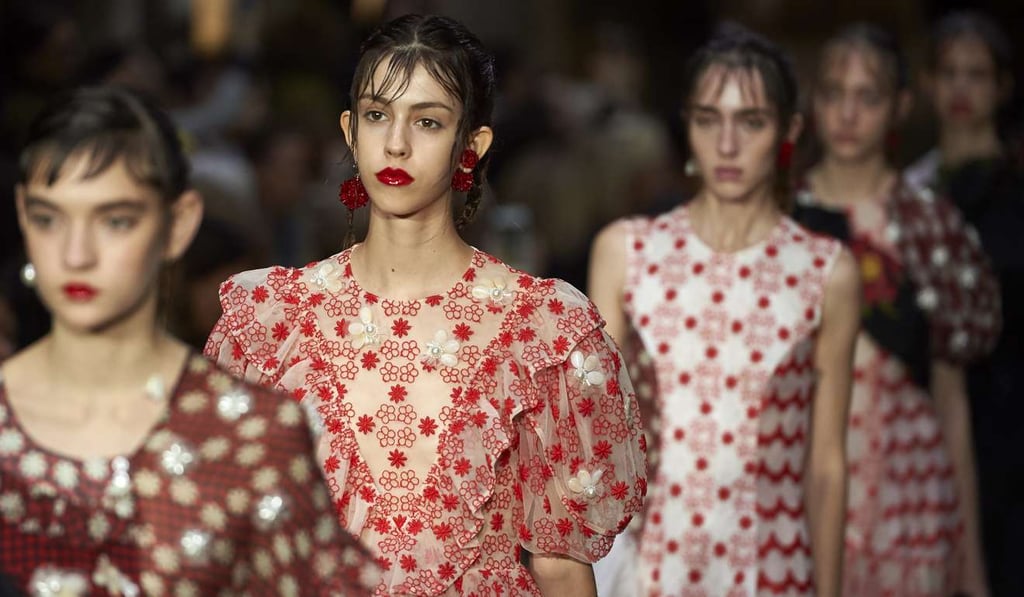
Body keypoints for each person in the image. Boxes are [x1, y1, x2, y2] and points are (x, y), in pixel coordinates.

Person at [205, 14, 647, 596]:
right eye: (376, 115)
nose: (396, 143)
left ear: (473, 143)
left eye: (428, 121)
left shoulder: (542, 331)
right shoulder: (268, 321)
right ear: (349, 131)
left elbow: (560, 565)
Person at [0, 86, 377, 596]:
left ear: (177, 226)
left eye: (116, 220)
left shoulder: (257, 436)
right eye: (50, 218)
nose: (76, 253)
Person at [588, 23, 859, 597]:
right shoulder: (627, 252)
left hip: (774, 566)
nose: (727, 144)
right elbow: (593, 441)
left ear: (789, 130)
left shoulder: (825, 270)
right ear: (687, 125)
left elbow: (827, 465)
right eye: (709, 120)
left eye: (751, 121)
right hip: (647, 568)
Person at [793, 23, 1001, 597]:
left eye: (868, 97)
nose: (848, 114)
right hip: (801, 481)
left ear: (901, 106)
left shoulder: (928, 222)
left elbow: (951, 397)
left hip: (908, 483)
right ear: (814, 101)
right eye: (834, 94)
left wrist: (972, 560)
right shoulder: (783, 219)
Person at [907, 13, 1024, 596]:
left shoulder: (1016, 189)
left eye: (976, 75)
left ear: (1003, 86)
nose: (960, 89)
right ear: (926, 82)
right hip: (926, 419)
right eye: (948, 73)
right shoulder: (907, 194)